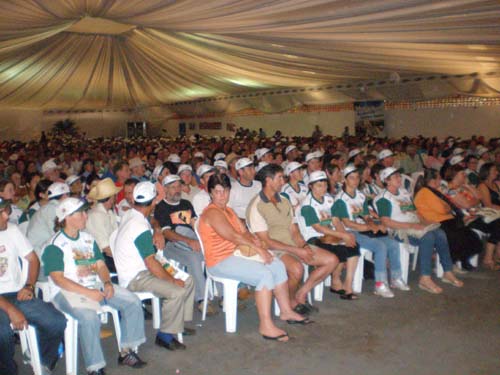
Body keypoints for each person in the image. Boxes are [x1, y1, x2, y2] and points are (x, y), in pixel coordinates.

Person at [199, 174, 309, 342]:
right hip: (220, 261)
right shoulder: (212, 213)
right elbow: (233, 236)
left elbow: (243, 232)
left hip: (237, 254)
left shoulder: (228, 210)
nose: (222, 196)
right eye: (218, 192)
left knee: (277, 265)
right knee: (264, 274)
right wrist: (259, 249)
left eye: (225, 191)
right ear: (211, 193)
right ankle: (266, 325)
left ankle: (286, 310)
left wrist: (254, 240)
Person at [42, 197, 146, 375]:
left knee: (132, 301)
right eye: (80, 213)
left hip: (93, 285)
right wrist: (89, 293)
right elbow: (58, 279)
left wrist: (106, 282)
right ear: (66, 217)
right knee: (89, 317)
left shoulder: (87, 238)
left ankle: (127, 351)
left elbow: (101, 265)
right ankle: (95, 367)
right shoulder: (55, 245)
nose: (85, 216)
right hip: (67, 292)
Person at [113, 181, 195, 351]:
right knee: (177, 290)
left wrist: (157, 229)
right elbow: (150, 262)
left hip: (142, 267)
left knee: (188, 280)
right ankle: (164, 336)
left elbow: (152, 218)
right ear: (153, 203)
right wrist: (171, 280)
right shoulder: (139, 227)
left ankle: (176, 323)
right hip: (136, 276)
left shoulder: (133, 214)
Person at [247, 165, 338, 312]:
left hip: (292, 245)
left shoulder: (284, 200)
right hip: (272, 249)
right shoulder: (257, 205)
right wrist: (296, 250)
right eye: (280, 178)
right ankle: (288, 302)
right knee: (297, 268)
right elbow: (266, 241)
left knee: (331, 260)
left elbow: (294, 230)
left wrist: (303, 246)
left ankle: (300, 294)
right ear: (269, 181)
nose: (283, 181)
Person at [0, 197, 66, 375]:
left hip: (16, 293)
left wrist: (29, 286)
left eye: (6, 210)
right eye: (1, 213)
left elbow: (32, 259)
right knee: (3, 335)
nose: (7, 216)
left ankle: (42, 362)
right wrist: (10, 310)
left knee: (57, 321)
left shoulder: (12, 230)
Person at [374, 167, 463, 293]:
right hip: (398, 230)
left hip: (413, 225)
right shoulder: (384, 198)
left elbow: (415, 212)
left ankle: (447, 271)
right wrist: (411, 226)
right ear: (387, 181)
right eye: (396, 177)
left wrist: (425, 222)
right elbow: (386, 221)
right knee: (428, 237)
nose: (399, 179)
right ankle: (425, 278)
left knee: (440, 233)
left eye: (399, 175)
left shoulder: (403, 192)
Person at [332, 165, 408, 298]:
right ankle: (380, 284)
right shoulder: (340, 199)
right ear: (344, 180)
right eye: (351, 178)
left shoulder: (360, 195)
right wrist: (368, 228)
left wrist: (373, 225)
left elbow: (366, 216)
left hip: (363, 229)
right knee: (380, 246)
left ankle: (396, 278)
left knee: (392, 244)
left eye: (357, 178)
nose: (355, 181)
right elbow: (347, 222)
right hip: (350, 232)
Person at [297, 170, 360, 300]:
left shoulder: (329, 199)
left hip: (329, 234)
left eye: (325, 185)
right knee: (340, 246)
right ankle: (336, 280)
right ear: (311, 186)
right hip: (314, 238)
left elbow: (335, 220)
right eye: (319, 185)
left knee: (352, 244)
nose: (323, 188)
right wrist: (342, 236)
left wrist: (344, 234)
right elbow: (318, 228)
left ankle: (347, 284)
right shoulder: (307, 204)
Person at [154, 175, 212, 314]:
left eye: (179, 186)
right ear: (166, 189)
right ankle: (202, 299)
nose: (177, 190)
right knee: (194, 256)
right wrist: (189, 241)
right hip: (172, 245)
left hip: (192, 241)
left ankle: (222, 295)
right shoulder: (161, 207)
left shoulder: (186, 204)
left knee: (210, 251)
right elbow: (167, 233)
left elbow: (195, 225)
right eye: (173, 187)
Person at [414, 169, 482, 270]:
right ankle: (452, 262)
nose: (441, 180)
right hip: (437, 222)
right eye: (439, 178)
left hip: (448, 220)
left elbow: (447, 206)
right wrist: (447, 207)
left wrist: (447, 207)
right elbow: (442, 209)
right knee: (459, 237)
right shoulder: (425, 192)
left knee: (473, 237)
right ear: (433, 180)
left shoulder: (436, 191)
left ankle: (463, 259)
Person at [86, 178, 122, 273]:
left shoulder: (109, 212)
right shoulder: (95, 215)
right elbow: (106, 248)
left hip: (113, 253)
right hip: (101, 259)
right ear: (111, 197)